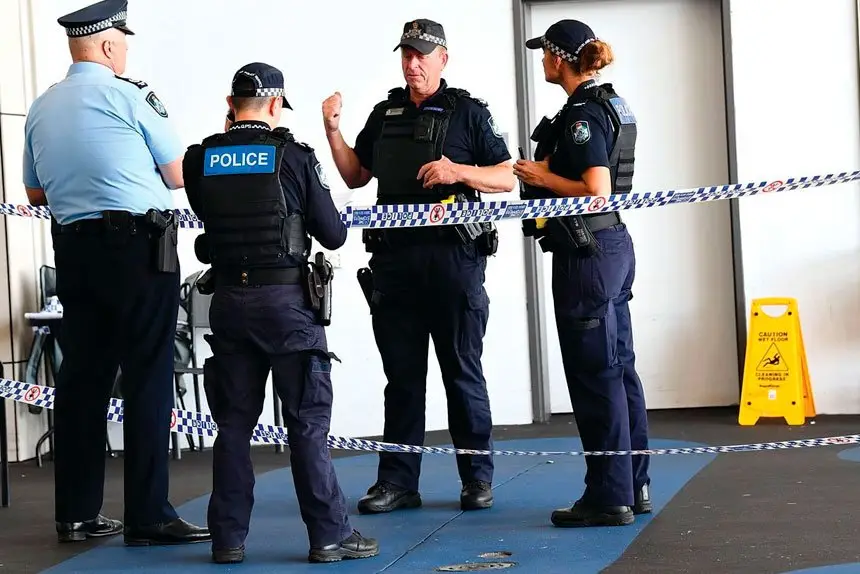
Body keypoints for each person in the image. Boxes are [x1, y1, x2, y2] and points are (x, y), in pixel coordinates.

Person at [21, 0, 210, 545]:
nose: (126, 48)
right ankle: (149, 516)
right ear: (107, 45)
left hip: (75, 253)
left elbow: (36, 191)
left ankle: (77, 515)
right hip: (137, 251)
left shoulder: (41, 107)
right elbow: (176, 175)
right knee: (150, 376)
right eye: (123, 39)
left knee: (83, 379)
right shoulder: (129, 95)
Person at [182, 62, 379, 565]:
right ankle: (329, 535)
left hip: (227, 304)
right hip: (288, 307)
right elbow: (333, 234)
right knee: (306, 424)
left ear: (231, 105)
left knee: (232, 426)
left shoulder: (201, 158)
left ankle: (227, 539)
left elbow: (210, 218)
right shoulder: (293, 155)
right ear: (275, 105)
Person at [322, 19, 516, 514]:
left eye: (422, 55)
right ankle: (398, 483)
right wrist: (333, 131)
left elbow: (505, 178)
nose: (412, 64)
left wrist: (458, 171)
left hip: (454, 262)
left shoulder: (468, 113)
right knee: (402, 379)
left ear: (442, 59)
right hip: (396, 265)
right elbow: (356, 173)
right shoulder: (385, 113)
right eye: (406, 54)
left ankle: (476, 478)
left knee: (462, 373)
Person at [514, 19, 651, 528]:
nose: (541, 62)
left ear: (558, 56)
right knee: (619, 369)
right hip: (611, 244)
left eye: (544, 53)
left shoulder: (581, 114)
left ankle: (608, 496)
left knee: (595, 377)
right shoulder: (611, 102)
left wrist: (538, 175)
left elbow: (596, 187)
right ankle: (634, 484)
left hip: (587, 251)